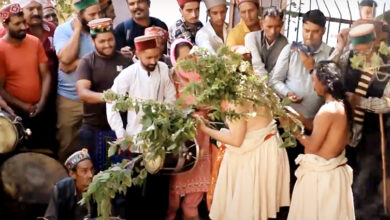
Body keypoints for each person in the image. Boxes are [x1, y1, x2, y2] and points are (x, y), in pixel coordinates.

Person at [197, 49, 290, 220]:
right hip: (268, 148)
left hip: (255, 156)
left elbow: (236, 140)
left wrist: (206, 129)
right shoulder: (258, 85)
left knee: (245, 213)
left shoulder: (237, 98)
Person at [107, 35, 176, 219]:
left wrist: (165, 118)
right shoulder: (128, 74)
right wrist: (120, 134)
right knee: (135, 194)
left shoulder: (163, 69)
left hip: (159, 142)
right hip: (135, 141)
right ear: (138, 54)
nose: (153, 61)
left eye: (156, 56)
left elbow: (171, 97)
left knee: (159, 194)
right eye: (149, 58)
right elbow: (111, 103)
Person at [332, 23, 390, 219]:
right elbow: (326, 75)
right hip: (345, 132)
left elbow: (387, 104)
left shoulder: (388, 64)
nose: (359, 54)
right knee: (344, 182)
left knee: (363, 187)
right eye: (356, 50)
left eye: (364, 50)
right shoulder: (350, 56)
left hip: (373, 137)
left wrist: (361, 102)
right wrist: (339, 48)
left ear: (374, 43)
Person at [286, 61, 355, 220]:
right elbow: (321, 129)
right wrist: (299, 118)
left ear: (325, 83)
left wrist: (293, 130)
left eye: (314, 81)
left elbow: (311, 147)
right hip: (332, 173)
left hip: (321, 178)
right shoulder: (341, 104)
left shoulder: (327, 110)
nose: (313, 86)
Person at [76, 18, 132, 171]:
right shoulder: (87, 62)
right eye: (102, 41)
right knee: (92, 176)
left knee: (120, 176)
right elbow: (83, 92)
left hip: (120, 129)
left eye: (110, 39)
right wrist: (107, 98)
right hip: (93, 128)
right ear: (93, 41)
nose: (107, 44)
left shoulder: (126, 61)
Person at [166, 38, 211, 220]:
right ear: (175, 59)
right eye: (183, 59)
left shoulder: (204, 78)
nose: (188, 63)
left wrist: (204, 106)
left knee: (198, 176)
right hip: (180, 135)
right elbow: (169, 105)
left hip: (202, 133)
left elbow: (213, 102)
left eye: (191, 58)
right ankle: (171, 212)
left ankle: (190, 212)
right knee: (177, 174)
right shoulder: (171, 77)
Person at [0, 3, 52, 150]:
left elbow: (46, 75)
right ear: (5, 24)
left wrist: (41, 102)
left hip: (41, 108)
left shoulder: (34, 42)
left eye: (23, 22)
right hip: (16, 113)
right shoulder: (1, 49)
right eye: (17, 24)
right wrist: (24, 106)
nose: (23, 27)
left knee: (45, 151)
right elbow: (1, 89)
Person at [54, 0, 100, 162]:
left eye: (98, 13)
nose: (97, 18)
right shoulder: (63, 30)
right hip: (69, 99)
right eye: (91, 14)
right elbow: (65, 58)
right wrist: (77, 31)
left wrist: (77, 63)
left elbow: (103, 59)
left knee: (95, 145)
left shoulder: (100, 28)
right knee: (67, 144)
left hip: (94, 98)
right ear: (79, 15)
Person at [271, 9, 332, 121]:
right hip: (286, 118)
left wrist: (312, 68)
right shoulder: (291, 48)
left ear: (323, 31)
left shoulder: (330, 54)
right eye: (306, 30)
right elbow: (275, 81)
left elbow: (331, 91)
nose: (309, 36)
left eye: (315, 31)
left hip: (314, 122)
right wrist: (288, 93)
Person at [45, 149, 95, 220]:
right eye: (84, 171)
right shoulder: (61, 189)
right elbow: (51, 217)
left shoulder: (99, 187)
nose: (90, 175)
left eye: (92, 169)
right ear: (72, 174)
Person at [245, 6, 288, 78]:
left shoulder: (285, 44)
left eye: (277, 26)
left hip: (274, 84)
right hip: (253, 81)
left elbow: (277, 72)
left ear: (282, 24)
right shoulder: (251, 38)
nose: (273, 31)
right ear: (261, 24)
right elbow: (257, 65)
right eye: (269, 26)